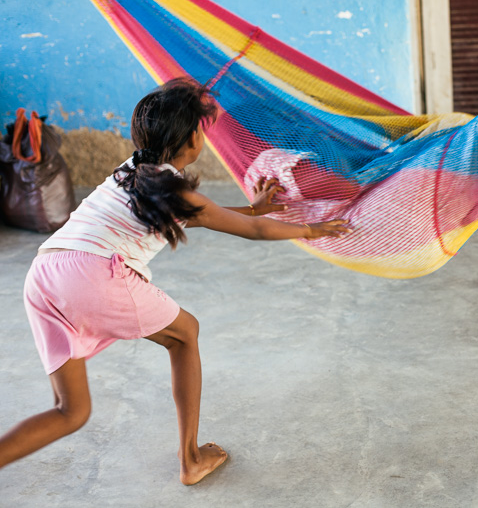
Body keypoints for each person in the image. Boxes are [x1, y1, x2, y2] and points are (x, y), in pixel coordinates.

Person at [0, 77, 351, 485]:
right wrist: (312, 230)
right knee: (185, 333)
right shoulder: (173, 190)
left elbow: (202, 213)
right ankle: (190, 460)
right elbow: (240, 228)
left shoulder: (133, 171)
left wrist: (253, 210)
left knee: (70, 411)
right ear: (191, 142)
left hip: (44, 274)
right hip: (91, 274)